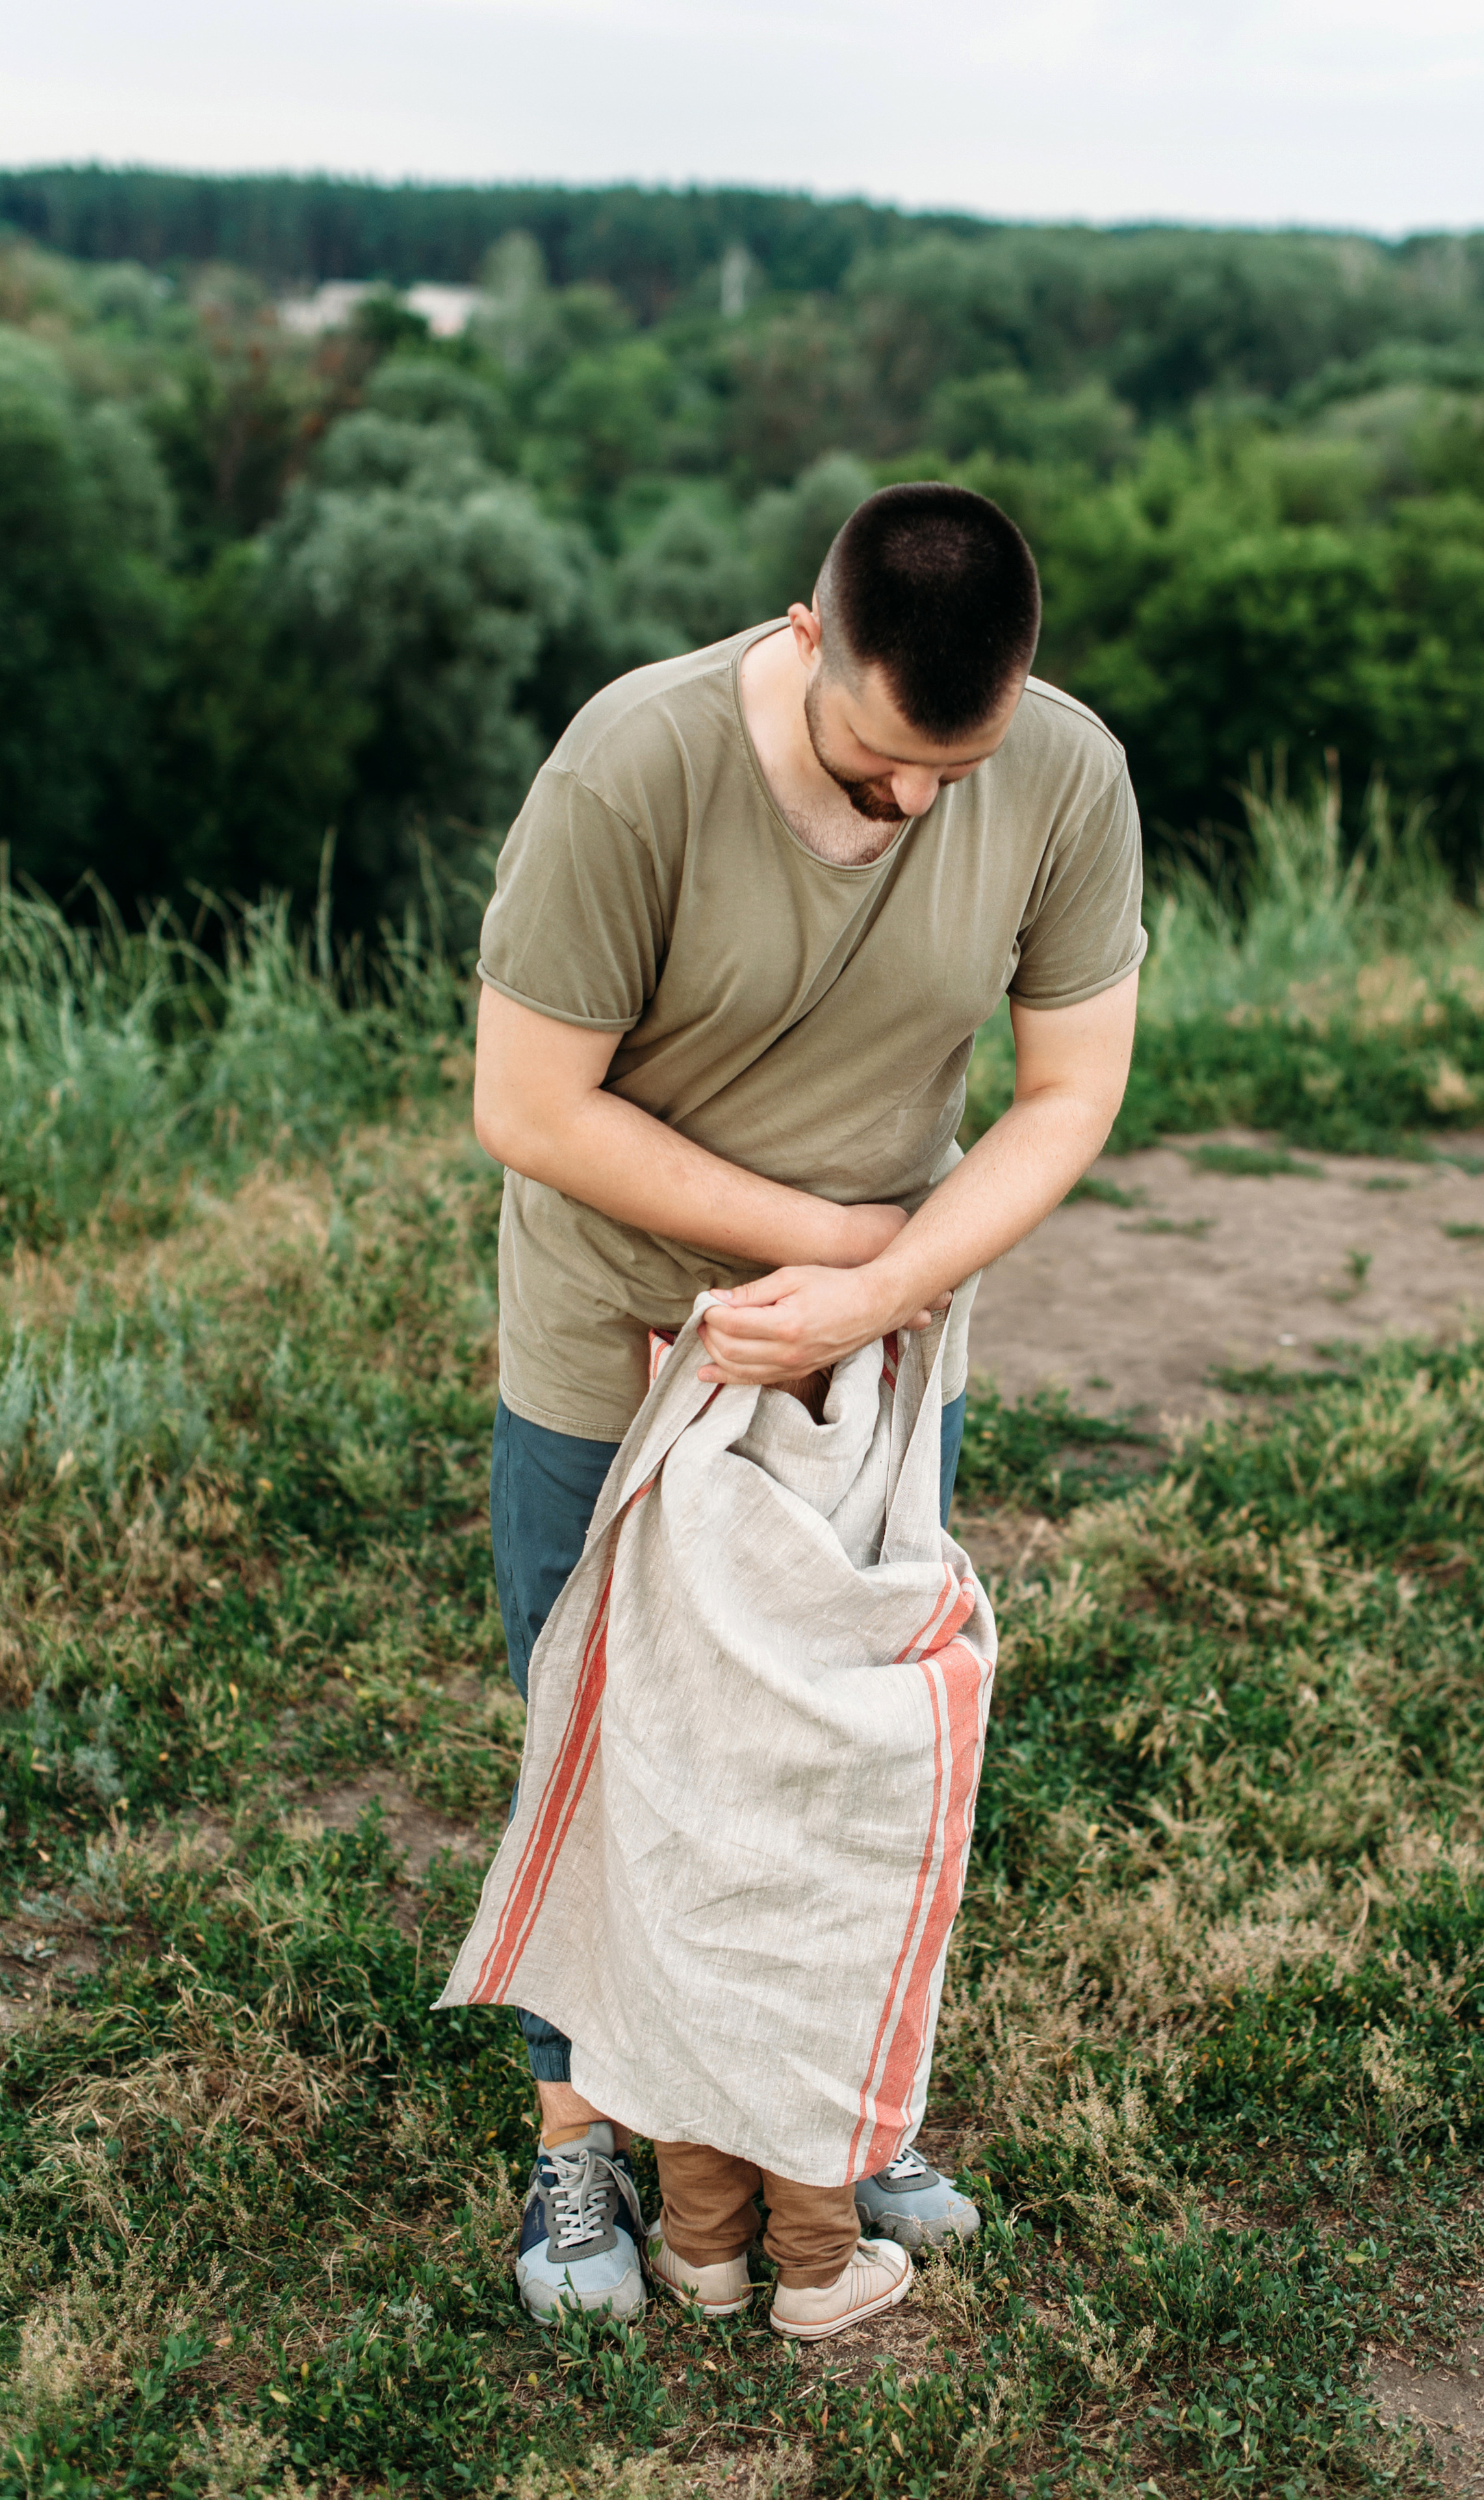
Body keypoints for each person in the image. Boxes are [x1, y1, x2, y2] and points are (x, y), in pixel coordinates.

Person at [473, 482, 1144, 2326]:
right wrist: (830, 1244)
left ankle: (837, 2117)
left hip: (872, 1362)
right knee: (606, 1741)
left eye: (957, 766)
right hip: (624, 1341)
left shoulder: (1069, 775)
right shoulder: (634, 764)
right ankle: (581, 2138)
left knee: (841, 1745)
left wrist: (880, 1293)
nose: (917, 807)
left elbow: (1072, 1091)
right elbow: (533, 1109)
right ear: (804, 642)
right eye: (875, 775)